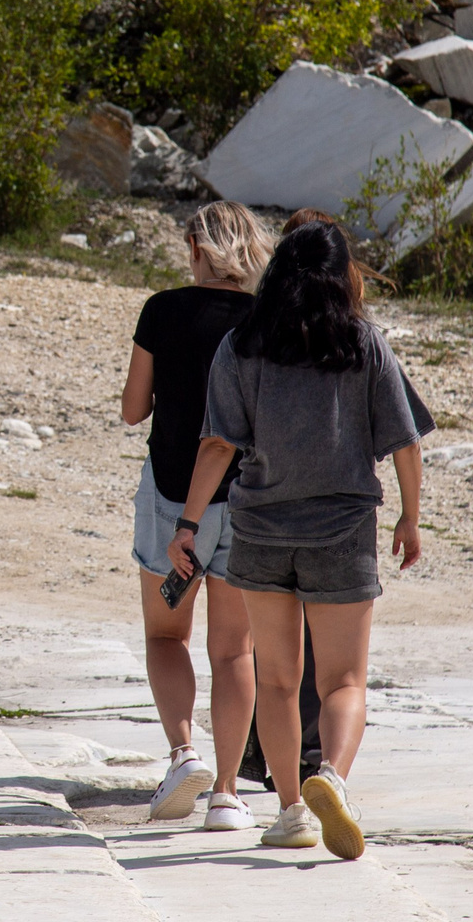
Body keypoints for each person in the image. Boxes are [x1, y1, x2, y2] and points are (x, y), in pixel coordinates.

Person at [168, 219, 425, 860]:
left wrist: (189, 524)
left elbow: (218, 444)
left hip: (259, 529)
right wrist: (410, 518)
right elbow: (404, 441)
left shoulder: (242, 345)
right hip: (340, 530)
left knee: (278, 680)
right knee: (342, 681)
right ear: (344, 277)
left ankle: (289, 811)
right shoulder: (364, 343)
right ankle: (331, 778)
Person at [119, 202, 277, 832]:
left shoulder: (162, 309)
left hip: (169, 493)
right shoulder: (265, 321)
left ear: (195, 248)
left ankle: (184, 754)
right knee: (234, 652)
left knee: (166, 637)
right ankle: (230, 793)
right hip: (243, 496)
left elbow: (134, 409)